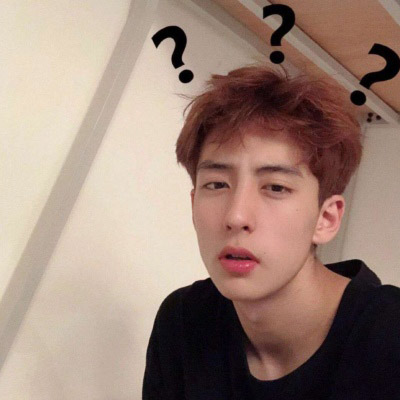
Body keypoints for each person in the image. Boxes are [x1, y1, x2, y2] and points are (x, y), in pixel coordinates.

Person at [142, 64, 400, 399]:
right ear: (193, 205)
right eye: (216, 184)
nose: (236, 216)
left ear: (326, 219)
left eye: (276, 187)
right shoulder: (183, 321)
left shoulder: (388, 337)